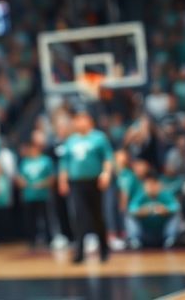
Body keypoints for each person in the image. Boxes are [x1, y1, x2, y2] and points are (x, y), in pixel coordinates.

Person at [59, 109, 113, 263]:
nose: (77, 123)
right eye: (76, 120)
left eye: (80, 119)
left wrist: (106, 174)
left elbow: (107, 158)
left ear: (89, 120)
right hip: (76, 182)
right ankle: (80, 252)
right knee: (79, 216)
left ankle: (104, 249)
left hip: (95, 181)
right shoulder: (71, 140)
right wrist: (63, 180)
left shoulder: (99, 138)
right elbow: (65, 162)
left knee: (97, 216)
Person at [16, 133, 55, 247]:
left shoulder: (46, 160)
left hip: (43, 194)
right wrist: (22, 183)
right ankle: (32, 240)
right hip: (29, 195)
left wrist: (43, 183)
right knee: (30, 219)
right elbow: (19, 177)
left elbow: (52, 177)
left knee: (46, 217)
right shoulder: (25, 162)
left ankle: (49, 239)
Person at [125, 171, 180, 249]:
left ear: (158, 185)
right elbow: (131, 209)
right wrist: (141, 211)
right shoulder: (140, 195)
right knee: (129, 216)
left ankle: (171, 241)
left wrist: (166, 210)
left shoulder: (165, 194)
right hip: (145, 234)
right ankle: (134, 241)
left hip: (162, 233)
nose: (151, 187)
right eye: (148, 184)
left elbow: (176, 207)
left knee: (176, 214)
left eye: (153, 184)